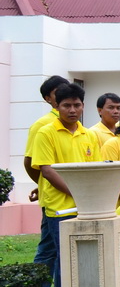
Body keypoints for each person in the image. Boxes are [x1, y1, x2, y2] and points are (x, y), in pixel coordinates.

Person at [30, 83, 102, 287]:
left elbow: (96, 169)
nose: (72, 110)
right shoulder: (46, 132)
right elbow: (47, 170)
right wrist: (78, 193)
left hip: (85, 207)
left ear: (83, 106)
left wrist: (89, 197)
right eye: (66, 105)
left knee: (62, 255)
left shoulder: (88, 134)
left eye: (77, 105)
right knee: (65, 258)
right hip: (58, 207)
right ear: (56, 106)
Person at [23, 75, 70, 204]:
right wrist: (44, 185)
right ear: (48, 99)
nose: (63, 94)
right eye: (57, 93)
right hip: (55, 200)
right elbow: (30, 161)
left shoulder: (76, 124)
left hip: (76, 196)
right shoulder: (42, 124)